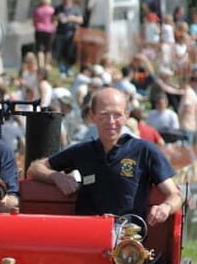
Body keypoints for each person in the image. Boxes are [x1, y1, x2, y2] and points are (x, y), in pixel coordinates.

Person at [28, 87, 182, 225]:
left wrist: (166, 207)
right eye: (104, 115)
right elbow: (35, 168)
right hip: (88, 234)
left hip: (128, 238)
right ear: (92, 116)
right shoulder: (83, 151)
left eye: (117, 115)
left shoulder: (145, 151)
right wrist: (56, 177)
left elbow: (176, 195)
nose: (111, 121)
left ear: (126, 116)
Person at [52, 0, 83, 75]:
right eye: (64, 0)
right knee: (60, 52)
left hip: (71, 33)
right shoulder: (58, 8)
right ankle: (62, 70)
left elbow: (81, 20)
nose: (66, 1)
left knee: (70, 52)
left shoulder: (75, 8)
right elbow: (53, 19)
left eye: (67, 0)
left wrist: (73, 18)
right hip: (60, 33)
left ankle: (69, 68)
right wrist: (57, 17)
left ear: (70, 0)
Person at [33, 0, 56, 69]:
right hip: (49, 30)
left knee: (39, 49)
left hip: (39, 30)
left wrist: (36, 26)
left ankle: (41, 65)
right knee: (48, 49)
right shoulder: (52, 10)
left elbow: (34, 21)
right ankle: (46, 65)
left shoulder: (37, 10)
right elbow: (54, 21)